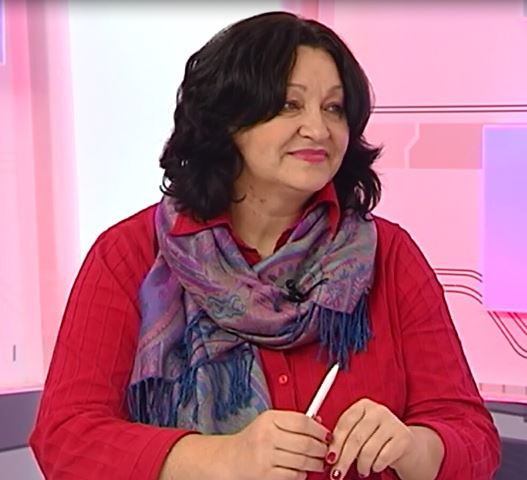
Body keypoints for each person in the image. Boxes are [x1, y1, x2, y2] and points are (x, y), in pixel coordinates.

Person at [30, 11, 500, 480]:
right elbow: (66, 438)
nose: (318, 129)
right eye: (290, 105)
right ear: (226, 119)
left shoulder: (388, 254)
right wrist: (223, 458)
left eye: (334, 108)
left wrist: (414, 447)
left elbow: (472, 436)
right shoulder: (129, 255)